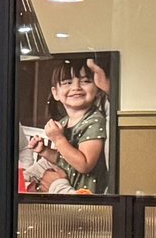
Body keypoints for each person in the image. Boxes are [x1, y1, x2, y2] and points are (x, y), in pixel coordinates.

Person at [39, 56, 110, 195]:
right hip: (69, 194)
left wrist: (59, 139)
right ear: (55, 93)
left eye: (85, 81)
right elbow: (65, 160)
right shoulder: (64, 122)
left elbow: (84, 165)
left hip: (87, 198)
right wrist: (44, 151)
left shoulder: (94, 121)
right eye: (67, 82)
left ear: (97, 89)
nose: (76, 87)